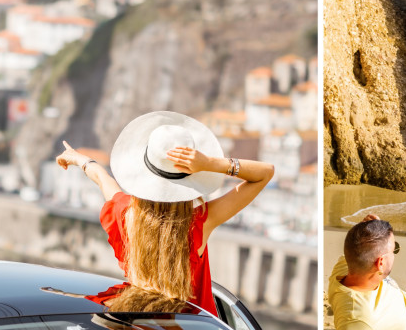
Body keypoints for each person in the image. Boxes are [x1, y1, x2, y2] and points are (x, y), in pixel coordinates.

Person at [56, 110, 274, 316]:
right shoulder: (200, 222)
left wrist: (78, 159)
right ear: (189, 180)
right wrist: (209, 163)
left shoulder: (124, 213)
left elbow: (102, 178)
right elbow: (265, 173)